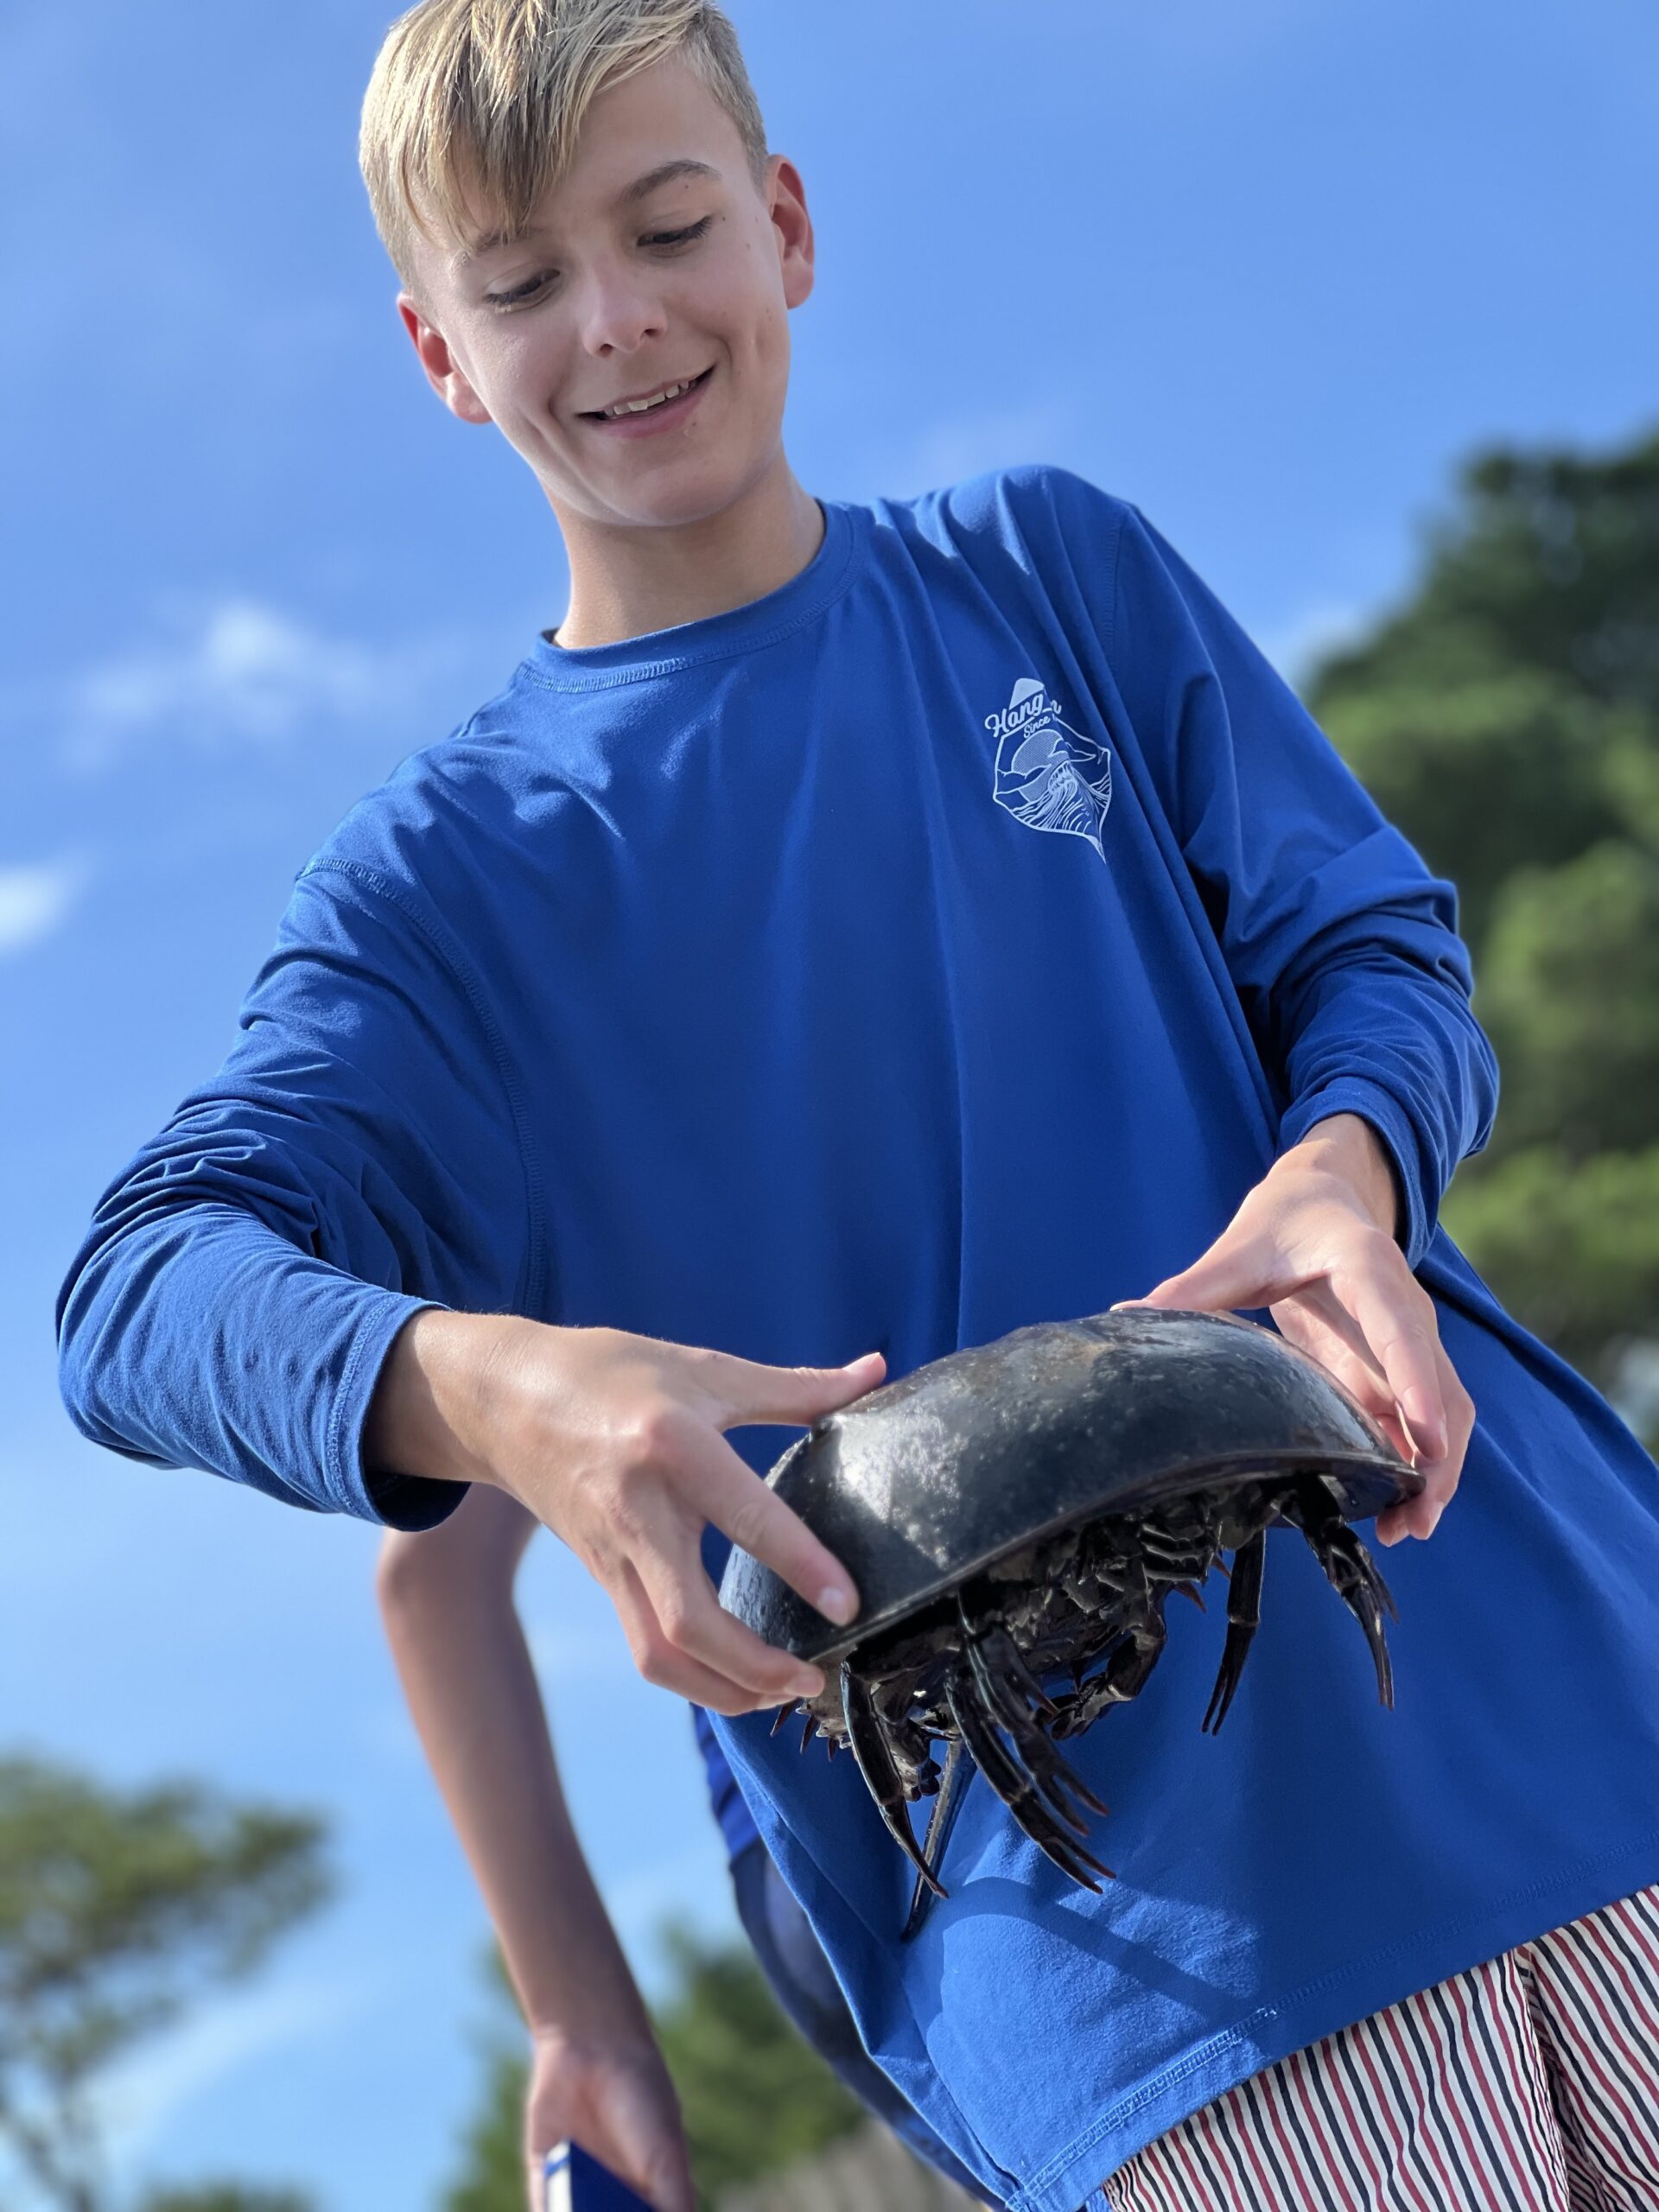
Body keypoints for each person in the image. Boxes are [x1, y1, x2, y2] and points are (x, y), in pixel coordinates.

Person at [54, 3, 1659, 2209]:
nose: (613, 319)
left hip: (1580, 1683)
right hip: (1150, 2002)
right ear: (440, 353)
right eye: (519, 282)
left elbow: (1375, 949)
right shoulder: (447, 896)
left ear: (784, 226)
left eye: (669, 224)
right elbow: (132, 1291)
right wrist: (497, 1387)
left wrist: (1348, 1152)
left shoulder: (1049, 574)